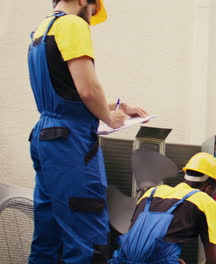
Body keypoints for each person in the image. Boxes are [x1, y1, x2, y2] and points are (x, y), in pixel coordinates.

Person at [27, 0, 148, 263]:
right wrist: (110, 117)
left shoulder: (42, 30)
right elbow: (87, 90)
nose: (91, 19)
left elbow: (64, 97)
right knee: (87, 235)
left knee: (48, 238)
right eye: (93, 11)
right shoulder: (72, 24)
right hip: (70, 142)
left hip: (47, 136)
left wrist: (118, 105)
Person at [110, 152, 216, 264]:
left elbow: (139, 240)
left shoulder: (151, 192)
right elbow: (214, 261)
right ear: (209, 188)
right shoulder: (205, 201)